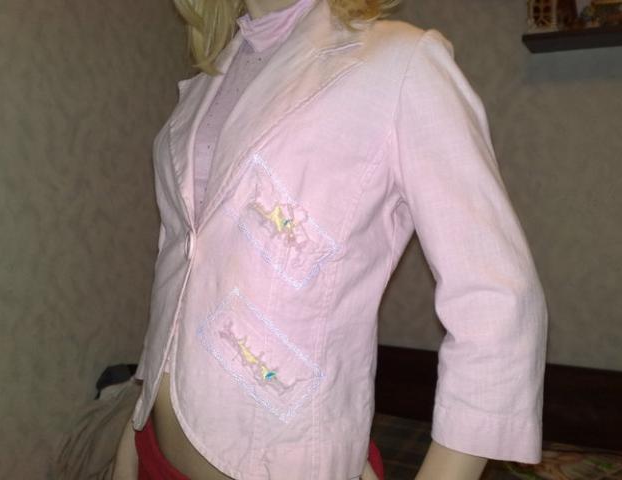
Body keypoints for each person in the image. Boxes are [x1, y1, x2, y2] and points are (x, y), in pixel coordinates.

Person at [113, 0, 549, 478]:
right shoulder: (207, 83)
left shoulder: (399, 62)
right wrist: (134, 432)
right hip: (150, 450)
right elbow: (183, 264)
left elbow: (497, 302)